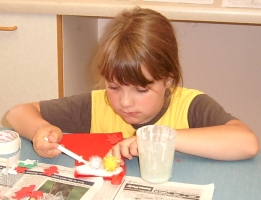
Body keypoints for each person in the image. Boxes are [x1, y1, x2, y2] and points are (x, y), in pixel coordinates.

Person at [5, 7, 259, 165]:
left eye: (141, 89)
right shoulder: (97, 104)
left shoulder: (190, 106)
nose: (125, 102)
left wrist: (161, 139)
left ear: (168, 78)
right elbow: (17, 113)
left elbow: (247, 143)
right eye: (114, 87)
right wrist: (41, 130)